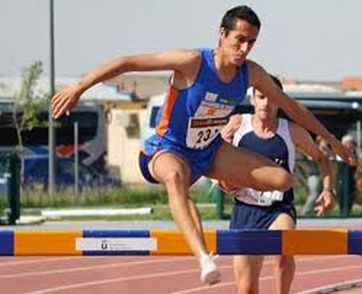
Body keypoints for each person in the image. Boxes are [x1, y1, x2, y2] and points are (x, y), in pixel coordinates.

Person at [50, 5, 354, 286]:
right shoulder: (192, 62)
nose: (244, 49)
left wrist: (331, 142)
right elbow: (127, 62)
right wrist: (79, 88)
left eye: (252, 42)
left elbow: (293, 107)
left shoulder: (251, 73)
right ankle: (203, 258)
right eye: (239, 40)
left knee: (282, 179)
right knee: (175, 178)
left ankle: (224, 185)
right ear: (222, 34)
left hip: (208, 153)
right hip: (167, 150)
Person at [220, 75, 336, 294]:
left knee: (282, 248)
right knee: (246, 290)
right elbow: (215, 158)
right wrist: (223, 180)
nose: (266, 103)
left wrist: (328, 189)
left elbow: (322, 158)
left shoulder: (291, 131)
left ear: (280, 101)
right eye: (261, 97)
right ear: (252, 100)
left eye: (272, 98)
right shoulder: (237, 124)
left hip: (278, 209)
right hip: (245, 210)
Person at [302, 136, 334, 216]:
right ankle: (306, 212)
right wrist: (320, 152)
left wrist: (326, 151)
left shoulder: (327, 150)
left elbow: (332, 158)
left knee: (325, 193)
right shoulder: (313, 148)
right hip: (314, 174)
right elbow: (310, 158)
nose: (325, 142)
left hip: (325, 176)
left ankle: (321, 212)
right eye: (323, 140)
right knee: (314, 194)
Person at [336, 134, 358, 216]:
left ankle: (348, 213)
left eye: (352, 143)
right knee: (341, 195)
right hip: (342, 178)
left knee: (350, 195)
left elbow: (354, 164)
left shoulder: (355, 153)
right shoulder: (340, 153)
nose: (351, 144)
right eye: (349, 143)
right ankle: (342, 213)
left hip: (351, 178)